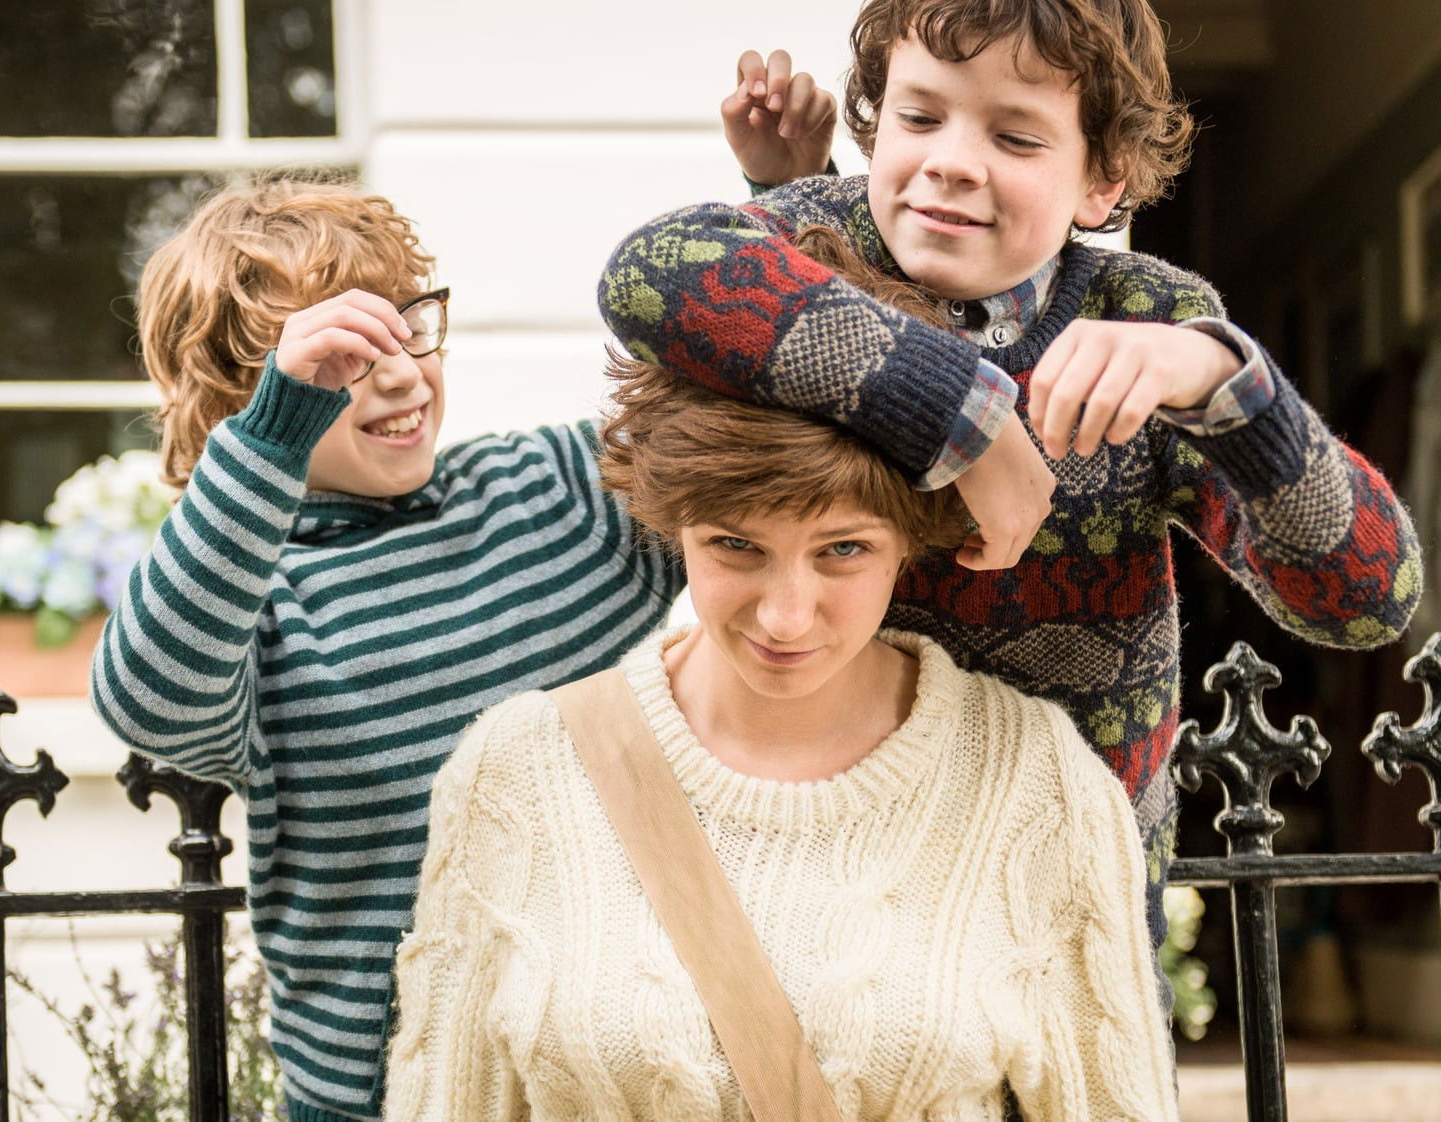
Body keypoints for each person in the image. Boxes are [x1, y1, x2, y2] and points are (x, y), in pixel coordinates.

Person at [90, 177, 999, 1121]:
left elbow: (742, 452)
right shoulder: (259, 606)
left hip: (607, 1080)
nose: (399, 375)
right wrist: (274, 435)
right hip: (383, 1099)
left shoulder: (549, 489)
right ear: (242, 400)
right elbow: (145, 701)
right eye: (343, 361)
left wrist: (779, 195)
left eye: (407, 328)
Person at [599, 0, 1424, 954]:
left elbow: (1366, 600)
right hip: (815, 884)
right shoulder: (809, 242)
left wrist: (1219, 381)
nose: (951, 160)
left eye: (1016, 136)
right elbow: (647, 272)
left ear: (1102, 182)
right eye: (919, 116)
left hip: (1056, 912)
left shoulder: (1147, 319)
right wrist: (968, 417)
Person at [383, 348, 1181, 1122]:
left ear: (911, 538)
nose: (786, 617)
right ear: (676, 528)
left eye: (844, 549)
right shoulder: (518, 770)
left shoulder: (1033, 778)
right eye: (736, 545)